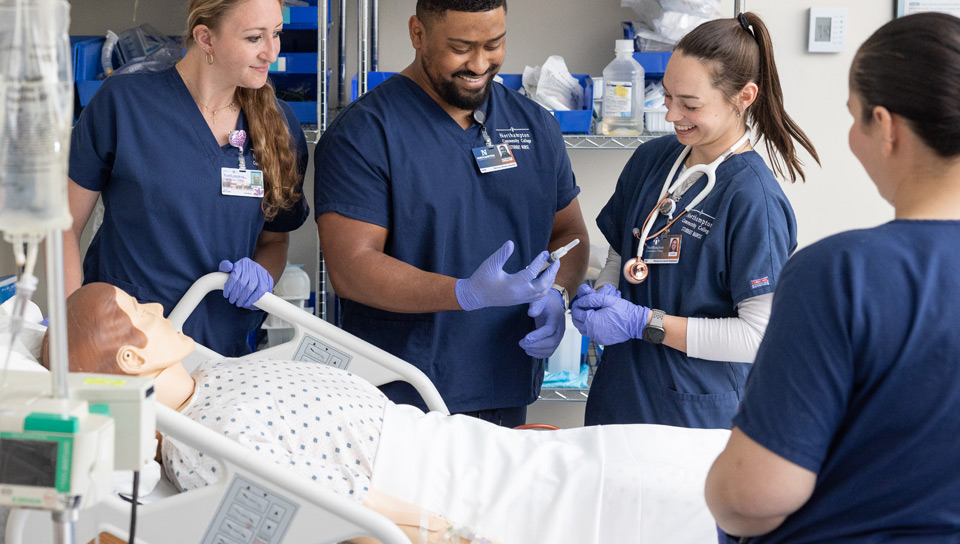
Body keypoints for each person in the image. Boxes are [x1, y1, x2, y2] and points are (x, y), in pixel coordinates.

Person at [49, 282, 731, 544]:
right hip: (458, 490)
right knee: (675, 500)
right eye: (137, 312)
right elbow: (344, 514)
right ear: (131, 360)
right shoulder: (206, 447)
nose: (157, 307)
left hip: (468, 446)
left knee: (666, 462)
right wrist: (450, 531)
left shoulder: (220, 376)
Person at [705, 12, 960, 541]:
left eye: (853, 117)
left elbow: (751, 499)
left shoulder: (842, 275)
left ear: (885, 126)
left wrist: (723, 488)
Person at [313, 0, 588, 426]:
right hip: (403, 393)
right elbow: (352, 268)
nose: (479, 64)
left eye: (493, 45)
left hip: (505, 377)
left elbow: (568, 233)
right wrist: (465, 293)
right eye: (461, 48)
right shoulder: (364, 134)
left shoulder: (534, 126)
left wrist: (558, 293)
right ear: (418, 33)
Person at [572, 12, 819, 429]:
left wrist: (643, 322)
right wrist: (602, 296)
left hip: (692, 412)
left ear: (743, 97)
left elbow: (757, 335)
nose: (671, 115)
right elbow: (621, 252)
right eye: (667, 96)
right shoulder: (651, 159)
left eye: (689, 104)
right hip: (620, 395)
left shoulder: (752, 198)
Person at [65, 0, 310, 357]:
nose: (272, 52)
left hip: (221, 349)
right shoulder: (125, 105)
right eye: (254, 38)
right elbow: (64, 227)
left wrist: (262, 273)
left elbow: (275, 239)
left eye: (277, 33)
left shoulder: (279, 126)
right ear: (205, 38)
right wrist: (70, 325)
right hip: (123, 341)